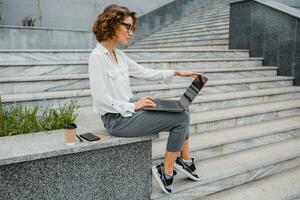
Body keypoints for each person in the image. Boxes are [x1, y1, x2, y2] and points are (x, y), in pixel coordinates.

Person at [89, 4, 203, 194]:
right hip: (116, 120)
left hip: (128, 111)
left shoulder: (119, 55)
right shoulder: (97, 57)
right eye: (128, 27)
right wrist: (134, 105)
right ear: (112, 24)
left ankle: (185, 159)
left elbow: (144, 72)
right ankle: (166, 170)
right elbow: (101, 99)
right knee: (180, 118)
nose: (131, 33)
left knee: (182, 107)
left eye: (132, 28)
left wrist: (177, 72)